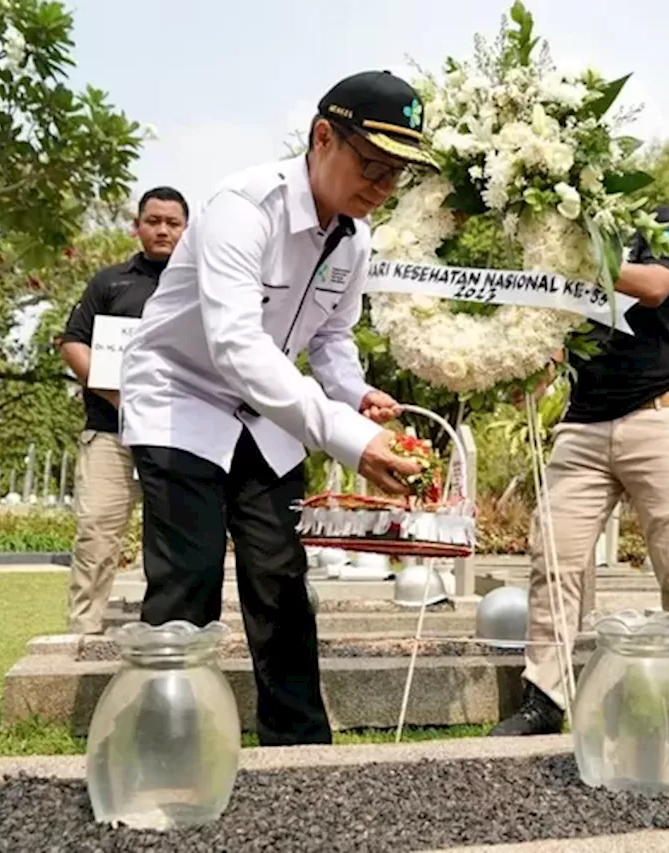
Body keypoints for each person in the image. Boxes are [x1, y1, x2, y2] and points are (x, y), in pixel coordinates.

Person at [117, 70, 437, 746]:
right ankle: (168, 747)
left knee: (281, 580)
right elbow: (235, 346)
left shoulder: (355, 238)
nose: (381, 188)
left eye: (396, 175)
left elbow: (330, 337)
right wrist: (349, 436)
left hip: (264, 416)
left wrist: (355, 394)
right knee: (188, 578)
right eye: (372, 166)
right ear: (323, 137)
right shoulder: (243, 207)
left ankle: (299, 752)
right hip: (182, 398)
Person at [490, 205, 669, 736]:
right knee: (553, 557)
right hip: (583, 424)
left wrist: (573, 261)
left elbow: (657, 285)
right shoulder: (552, 236)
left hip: (659, 417)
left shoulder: (657, 221)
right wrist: (521, 367)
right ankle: (544, 698)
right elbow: (553, 338)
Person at [58, 186, 189, 635]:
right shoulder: (108, 282)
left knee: (171, 539)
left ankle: (165, 631)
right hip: (110, 431)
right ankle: (83, 630)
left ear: (186, 231)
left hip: (177, 436)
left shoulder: (201, 285)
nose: (162, 230)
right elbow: (72, 342)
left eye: (172, 223)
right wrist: (116, 393)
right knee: (97, 531)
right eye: (153, 221)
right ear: (137, 226)